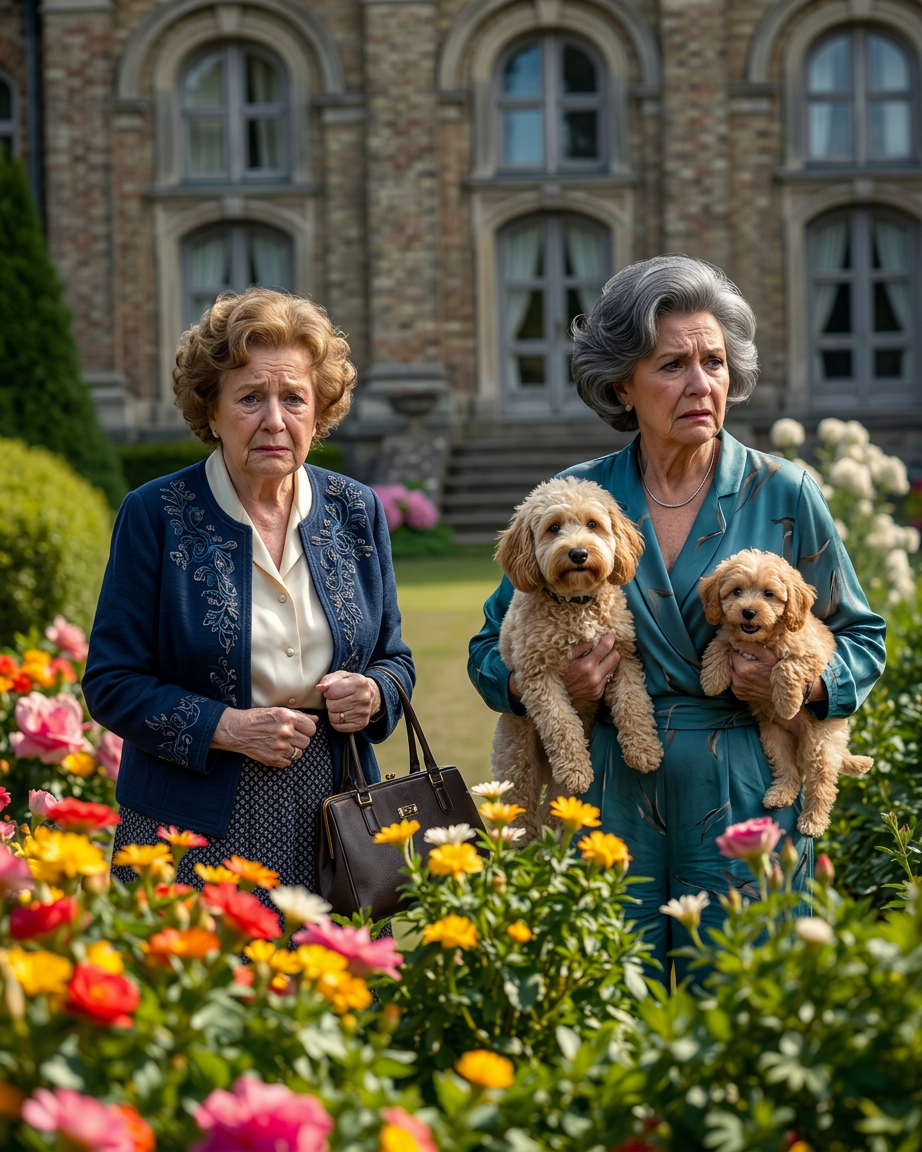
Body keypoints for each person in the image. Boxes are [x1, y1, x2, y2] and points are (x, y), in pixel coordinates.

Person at [468, 255, 885, 971]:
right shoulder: (576, 499)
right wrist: (548, 690)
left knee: (742, 1003)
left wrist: (805, 687)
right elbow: (487, 648)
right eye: (672, 365)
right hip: (600, 792)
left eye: (714, 362)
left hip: (747, 787)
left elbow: (861, 636)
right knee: (603, 995)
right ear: (622, 385)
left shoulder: (785, 491)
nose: (701, 384)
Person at [84, 288, 414, 898]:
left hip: (335, 810)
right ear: (210, 412)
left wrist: (373, 692)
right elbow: (111, 681)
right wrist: (227, 727)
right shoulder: (155, 514)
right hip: (187, 824)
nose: (274, 420)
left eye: (294, 398)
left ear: (320, 411)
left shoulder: (355, 509)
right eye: (250, 398)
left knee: (330, 986)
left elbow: (395, 658)